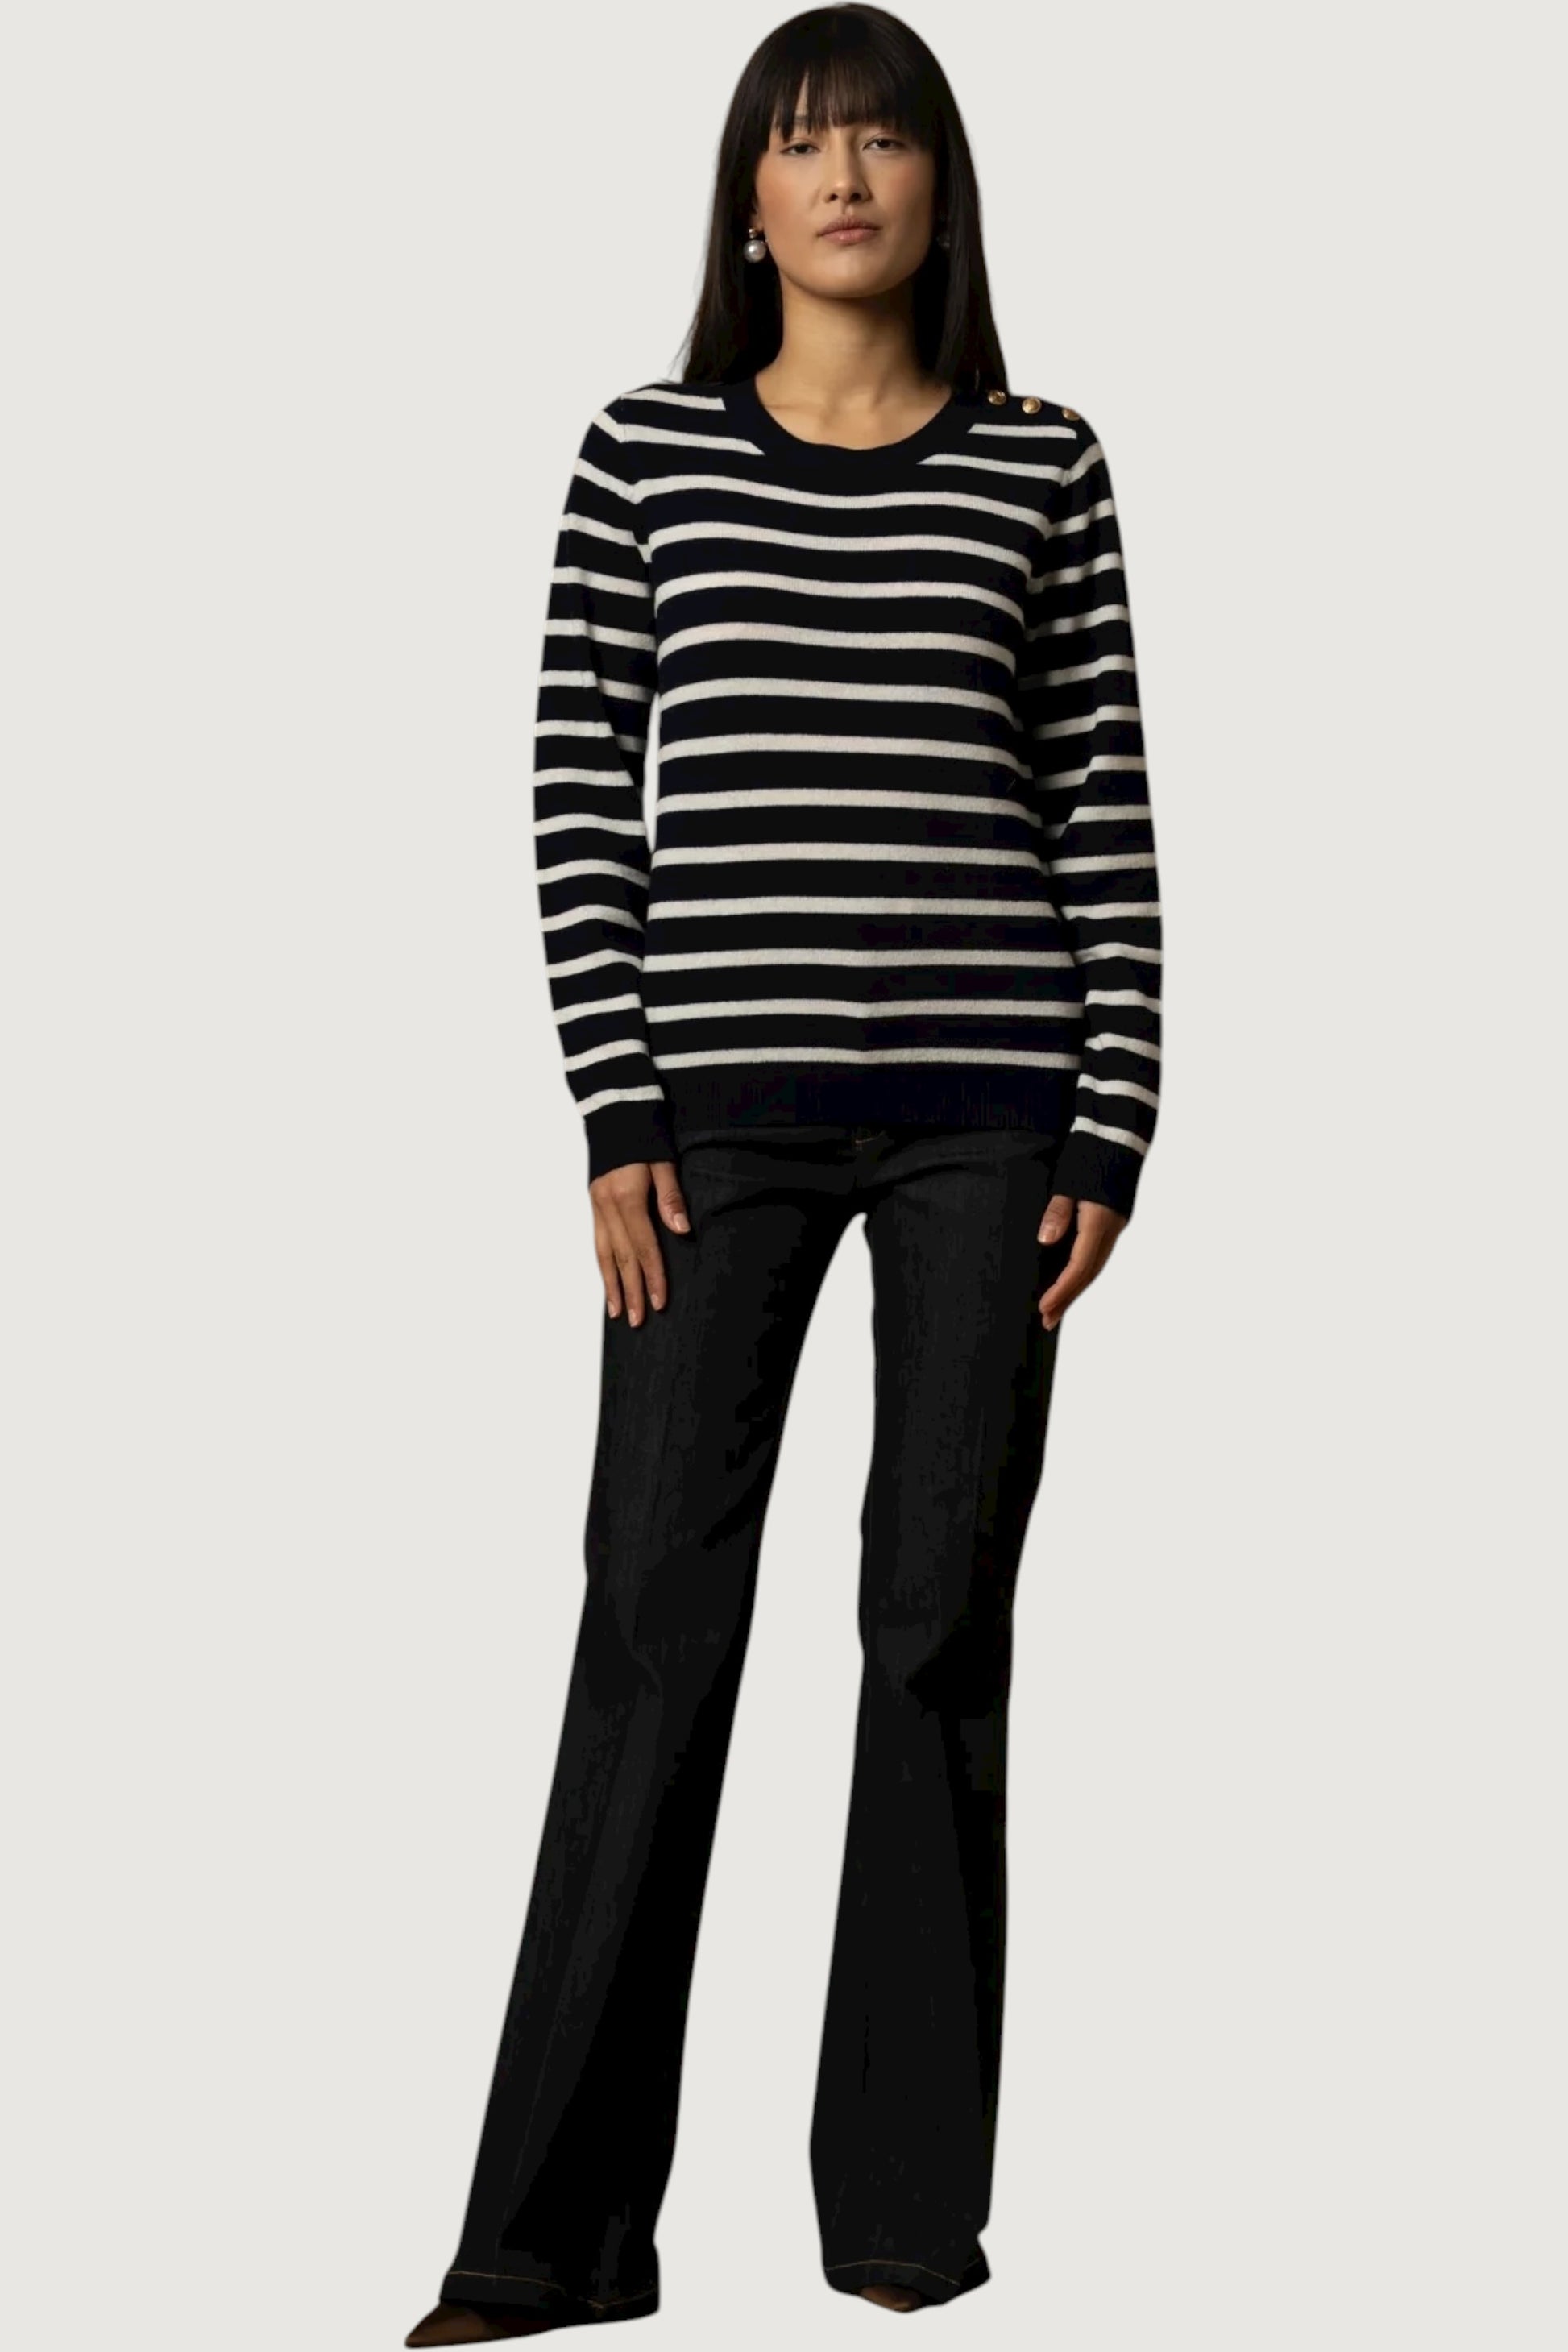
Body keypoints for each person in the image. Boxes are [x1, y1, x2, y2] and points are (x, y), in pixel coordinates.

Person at [407, 5, 1160, 2341]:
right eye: (801, 140)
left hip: (990, 1124)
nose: (844, 176)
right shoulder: (643, 456)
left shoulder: (1042, 464)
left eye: (884, 139)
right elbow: (576, 793)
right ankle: (548, 2241)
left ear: (940, 189)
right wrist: (615, 1108)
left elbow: (1101, 804)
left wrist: (1114, 1115)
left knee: (933, 1632)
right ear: (746, 198)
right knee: (653, 1622)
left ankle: (903, 2222)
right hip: (711, 1124)